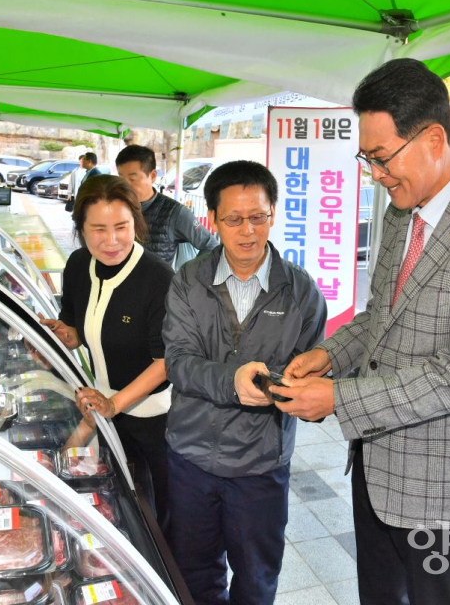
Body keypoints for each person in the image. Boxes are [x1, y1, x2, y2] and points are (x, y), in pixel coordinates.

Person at [280, 59, 450, 605]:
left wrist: (339, 396)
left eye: (381, 158)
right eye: (366, 159)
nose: (375, 173)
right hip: (376, 464)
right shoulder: (403, 209)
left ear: (432, 138)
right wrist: (328, 356)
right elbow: (382, 315)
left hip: (446, 480)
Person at [162, 160, 327, 605]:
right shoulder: (188, 281)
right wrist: (231, 380)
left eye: (258, 217)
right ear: (212, 220)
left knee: (256, 577)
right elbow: (178, 362)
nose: (248, 231)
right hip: (191, 458)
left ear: (273, 213)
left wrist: (306, 390)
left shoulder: (301, 292)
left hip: (260, 466)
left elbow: (312, 368)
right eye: (233, 219)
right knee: (194, 571)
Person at [39, 175, 174, 530]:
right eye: (98, 228)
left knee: (160, 513)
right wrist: (61, 334)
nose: (111, 240)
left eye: (122, 227)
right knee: (119, 506)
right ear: (81, 228)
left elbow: (165, 363)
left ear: (136, 223)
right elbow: (77, 330)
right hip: (105, 410)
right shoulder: (79, 266)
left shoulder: (158, 279)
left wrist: (114, 404)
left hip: (156, 421)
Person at [115, 144, 218, 267]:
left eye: (132, 179)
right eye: (121, 179)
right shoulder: (115, 207)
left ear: (152, 176)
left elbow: (211, 246)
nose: (125, 186)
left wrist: (188, 273)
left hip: (157, 284)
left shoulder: (174, 212)